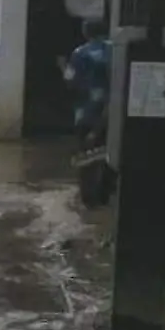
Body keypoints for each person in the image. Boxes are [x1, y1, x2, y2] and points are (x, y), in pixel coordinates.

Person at [61, 18, 113, 207]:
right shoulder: (117, 50)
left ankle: (89, 200)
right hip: (114, 114)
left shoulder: (80, 53)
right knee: (110, 153)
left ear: (86, 32)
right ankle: (106, 195)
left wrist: (62, 66)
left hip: (88, 113)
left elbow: (70, 82)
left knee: (87, 156)